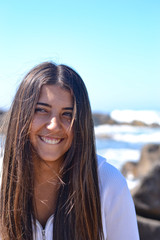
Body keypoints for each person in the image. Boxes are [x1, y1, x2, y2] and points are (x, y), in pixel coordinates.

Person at [0, 62, 140, 240]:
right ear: (22, 115)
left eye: (67, 114)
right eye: (41, 110)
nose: (54, 125)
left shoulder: (108, 183)